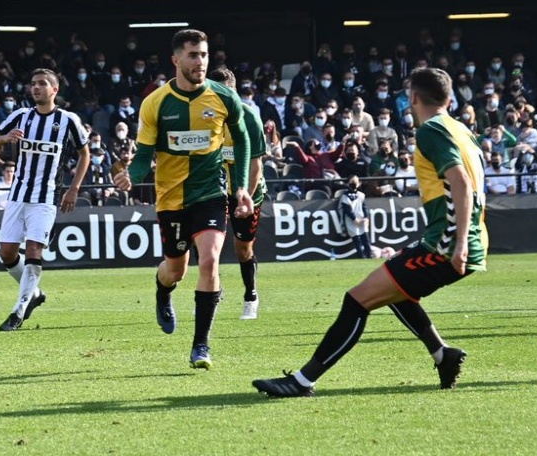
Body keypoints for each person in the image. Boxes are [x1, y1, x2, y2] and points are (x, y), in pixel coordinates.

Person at [252, 68, 488, 397]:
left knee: (357, 299)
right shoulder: (462, 129)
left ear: (413, 98)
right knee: (395, 289)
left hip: (448, 243)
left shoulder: (432, 130)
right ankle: (442, 354)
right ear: (449, 99)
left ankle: (303, 381)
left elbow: (461, 182)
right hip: (462, 237)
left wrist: (459, 243)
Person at [114, 29, 254, 369]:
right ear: (176, 60)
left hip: (209, 193)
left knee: (209, 262)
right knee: (175, 270)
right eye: (193, 55)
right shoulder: (155, 103)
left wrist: (241, 187)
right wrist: (130, 176)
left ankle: (201, 346)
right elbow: (145, 154)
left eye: (204, 54)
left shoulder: (224, 97)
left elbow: (243, 140)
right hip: (171, 197)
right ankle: (163, 291)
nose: (200, 61)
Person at [0, 68, 90, 331]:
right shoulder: (21, 116)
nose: (36, 88)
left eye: (42, 84)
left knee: (34, 250)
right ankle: (34, 293)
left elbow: (84, 154)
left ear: (54, 90)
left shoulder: (68, 120)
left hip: (46, 197)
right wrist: (4, 139)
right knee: (7, 253)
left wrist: (74, 188)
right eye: (33, 84)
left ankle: (18, 311)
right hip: (17, 195)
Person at [206, 67, 267, 320]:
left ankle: (251, 295)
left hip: (246, 190)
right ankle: (213, 290)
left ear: (233, 91)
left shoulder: (249, 117)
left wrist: (246, 198)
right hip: (215, 190)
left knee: (242, 248)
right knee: (209, 244)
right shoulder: (205, 116)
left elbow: (255, 165)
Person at [338, 175, 374, 259]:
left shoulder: (361, 195)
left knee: (365, 238)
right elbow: (347, 210)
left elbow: (364, 207)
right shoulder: (345, 196)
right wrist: (354, 219)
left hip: (362, 219)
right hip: (351, 221)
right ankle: (361, 255)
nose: (353, 184)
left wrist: (366, 218)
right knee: (356, 239)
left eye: (355, 182)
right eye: (351, 182)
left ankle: (369, 254)